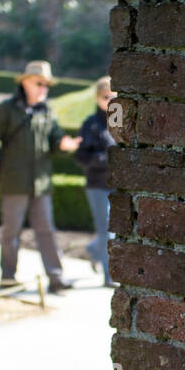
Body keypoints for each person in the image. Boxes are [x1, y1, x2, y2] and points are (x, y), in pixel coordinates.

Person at [0, 60, 75, 292]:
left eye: (46, 84)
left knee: (46, 232)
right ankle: (8, 277)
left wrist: (64, 145)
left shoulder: (47, 111)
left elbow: (54, 142)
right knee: (11, 233)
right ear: (25, 83)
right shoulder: (6, 109)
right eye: (39, 83)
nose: (43, 88)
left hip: (40, 183)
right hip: (14, 181)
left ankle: (56, 277)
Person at [67, 76, 118, 287]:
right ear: (97, 98)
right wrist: (105, 158)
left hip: (118, 186)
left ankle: (93, 249)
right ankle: (109, 276)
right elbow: (81, 158)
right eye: (105, 96)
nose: (109, 100)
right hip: (97, 185)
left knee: (116, 230)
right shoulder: (91, 124)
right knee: (107, 230)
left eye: (114, 97)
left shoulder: (121, 121)